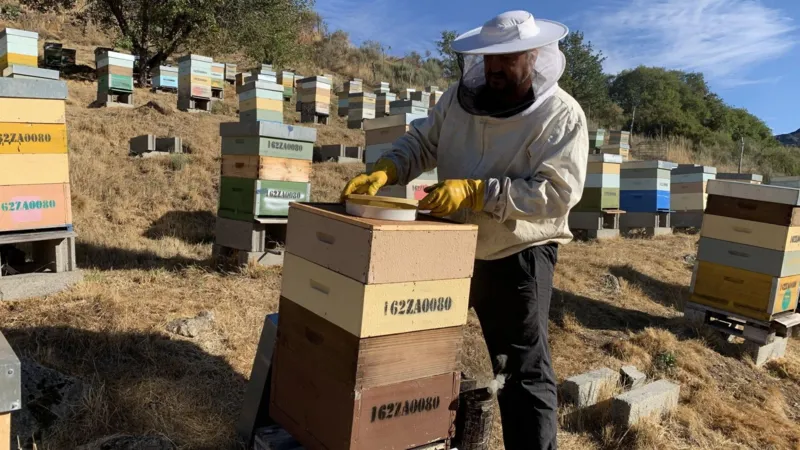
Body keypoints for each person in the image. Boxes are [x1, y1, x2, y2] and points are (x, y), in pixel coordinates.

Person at [341, 10, 588, 450]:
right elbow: (423, 141)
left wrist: (478, 192)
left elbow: (555, 195)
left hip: (518, 253)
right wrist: (387, 168)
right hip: (452, 246)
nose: (493, 69)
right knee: (421, 347)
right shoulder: (459, 97)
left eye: (506, 60)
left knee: (520, 372)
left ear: (533, 56)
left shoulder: (560, 114)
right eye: (488, 60)